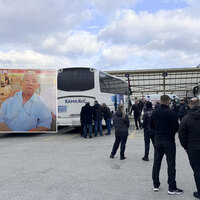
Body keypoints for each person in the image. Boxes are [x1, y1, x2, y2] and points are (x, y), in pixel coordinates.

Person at [150, 95, 183, 195]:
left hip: (158, 140)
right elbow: (176, 128)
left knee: (156, 163)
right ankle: (171, 187)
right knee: (171, 164)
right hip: (169, 140)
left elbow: (151, 126)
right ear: (168, 101)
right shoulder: (171, 113)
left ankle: (156, 184)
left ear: (160, 101)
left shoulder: (154, 113)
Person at [178, 97, 200, 199]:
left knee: (197, 170)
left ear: (190, 105)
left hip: (193, 149)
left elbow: (181, 135)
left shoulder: (186, 119)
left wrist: (186, 147)